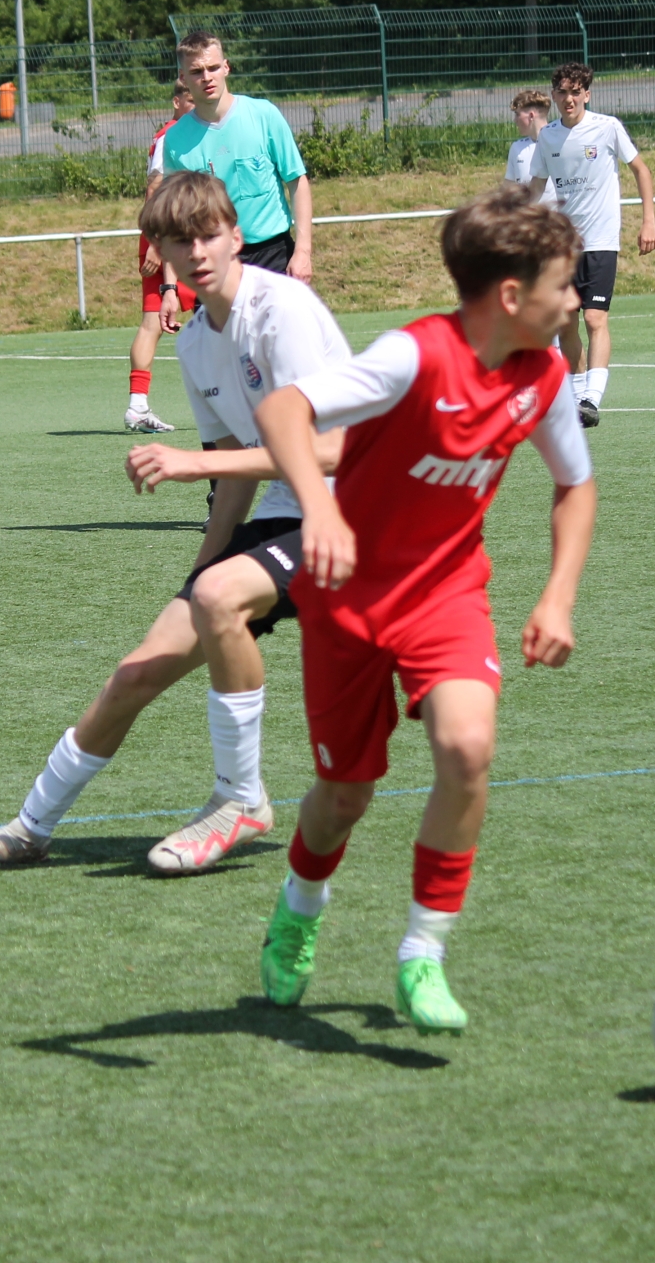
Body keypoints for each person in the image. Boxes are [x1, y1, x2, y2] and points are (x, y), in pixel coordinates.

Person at [250, 184, 597, 1034]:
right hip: (347, 600)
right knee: (343, 796)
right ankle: (300, 907)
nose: (576, 300)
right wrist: (319, 510)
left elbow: (575, 485)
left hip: (447, 594)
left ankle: (423, 954)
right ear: (510, 296)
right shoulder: (412, 356)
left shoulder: (546, 373)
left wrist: (558, 595)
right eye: (564, 284)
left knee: (467, 747)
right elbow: (284, 408)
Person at [0, 172, 351, 876]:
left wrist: (193, 465)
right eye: (178, 241)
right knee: (137, 671)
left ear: (237, 236)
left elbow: (340, 448)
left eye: (209, 234)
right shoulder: (194, 342)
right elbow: (234, 476)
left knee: (221, 601)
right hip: (288, 514)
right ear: (159, 253)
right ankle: (30, 828)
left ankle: (240, 799)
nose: (197, 252)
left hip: (358, 509)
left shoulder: (281, 309)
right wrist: (200, 574)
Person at [153, 29, 313, 339]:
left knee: (285, 349)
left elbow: (297, 182)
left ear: (226, 67)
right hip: (214, 262)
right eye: (197, 71)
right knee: (221, 356)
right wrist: (170, 288)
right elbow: (176, 220)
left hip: (273, 256)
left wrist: (303, 251)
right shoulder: (175, 140)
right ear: (183, 78)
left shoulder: (264, 115)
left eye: (213, 67)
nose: (207, 77)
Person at [528, 62, 655, 428]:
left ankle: (591, 399)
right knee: (565, 323)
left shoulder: (607, 127)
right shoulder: (548, 137)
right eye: (562, 92)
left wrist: (648, 220)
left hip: (600, 240)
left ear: (587, 94)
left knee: (594, 317)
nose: (568, 99)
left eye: (575, 92)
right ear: (554, 96)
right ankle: (575, 402)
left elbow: (641, 170)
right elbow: (536, 186)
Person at [125, 81, 198, 435]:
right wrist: (156, 242)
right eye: (190, 98)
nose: (197, 104)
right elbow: (155, 186)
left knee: (203, 317)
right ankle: (138, 406)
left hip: (177, 236)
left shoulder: (184, 132)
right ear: (177, 101)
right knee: (153, 322)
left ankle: (138, 407)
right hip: (165, 238)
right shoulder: (172, 134)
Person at [504, 89, 557, 205]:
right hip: (526, 214)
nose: (515, 120)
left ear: (531, 116)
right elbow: (508, 187)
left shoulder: (558, 143)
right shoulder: (517, 148)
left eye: (518, 114)